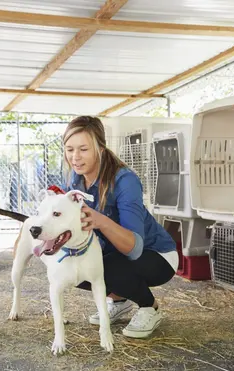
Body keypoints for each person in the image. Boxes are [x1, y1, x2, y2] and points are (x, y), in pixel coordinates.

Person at [63, 116, 179, 339]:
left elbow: (134, 248)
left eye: (83, 149)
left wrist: (100, 220)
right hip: (115, 254)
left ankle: (149, 307)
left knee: (107, 266)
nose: (75, 157)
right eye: (70, 149)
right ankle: (119, 300)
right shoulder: (73, 179)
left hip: (156, 256)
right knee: (71, 264)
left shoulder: (124, 180)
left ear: (100, 148)